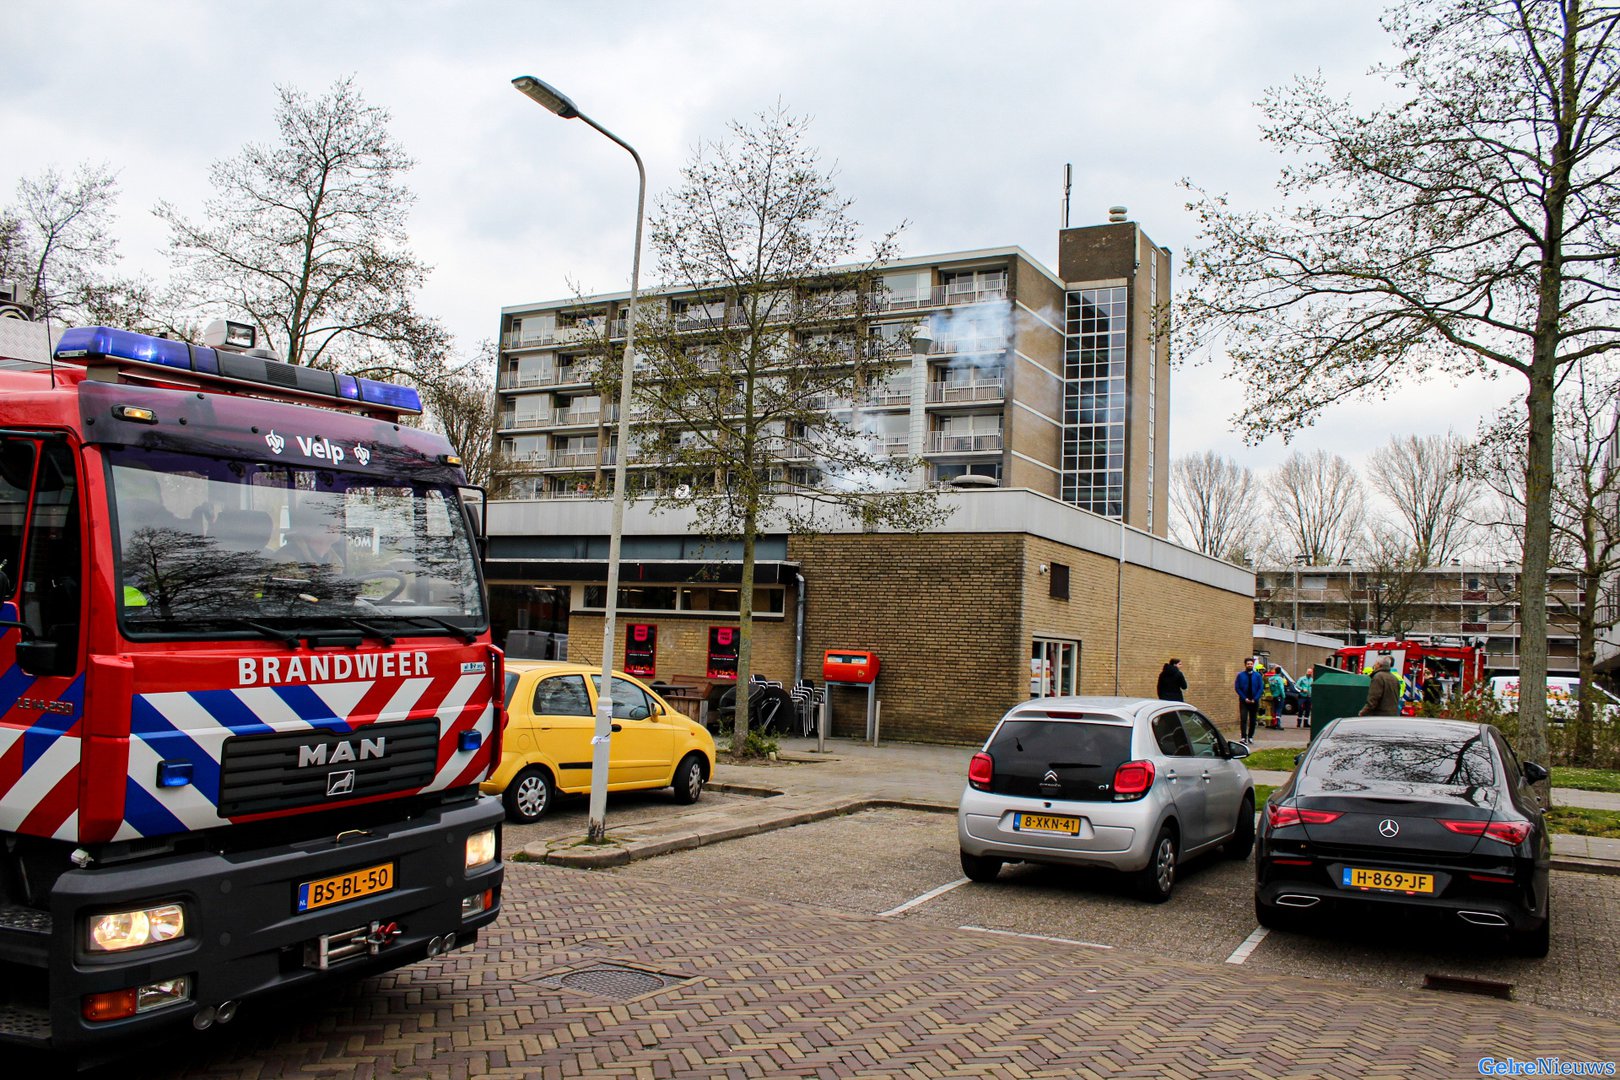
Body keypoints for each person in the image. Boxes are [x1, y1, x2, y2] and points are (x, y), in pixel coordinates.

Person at [1233, 657, 1264, 742]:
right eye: (1248, 664)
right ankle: (1243, 737)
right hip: (1244, 701)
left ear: (1253, 665)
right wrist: (1244, 698)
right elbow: (1237, 687)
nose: (1249, 665)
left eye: (1251, 664)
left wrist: (1255, 698)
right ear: (1245, 665)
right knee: (1243, 719)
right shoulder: (1240, 675)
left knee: (1253, 720)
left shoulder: (1257, 676)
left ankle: (1250, 736)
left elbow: (1260, 688)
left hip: (1254, 701)